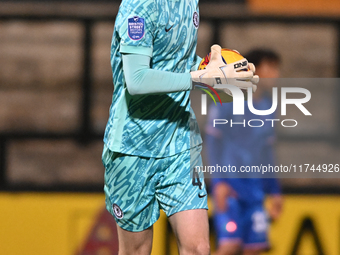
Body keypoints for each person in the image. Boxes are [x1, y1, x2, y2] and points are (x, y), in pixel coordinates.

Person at [101, 1, 258, 254]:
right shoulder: (138, 8)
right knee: (136, 250)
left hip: (180, 140)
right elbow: (137, 79)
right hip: (132, 149)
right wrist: (199, 79)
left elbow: (179, 63)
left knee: (198, 248)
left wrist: (215, 72)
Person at [205, 49, 283, 255]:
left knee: (254, 249)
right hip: (230, 188)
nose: (276, 74)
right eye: (271, 68)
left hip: (255, 191)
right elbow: (213, 144)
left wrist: (274, 191)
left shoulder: (269, 107)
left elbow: (266, 153)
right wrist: (219, 182)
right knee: (229, 246)